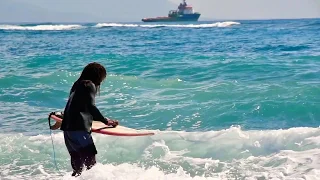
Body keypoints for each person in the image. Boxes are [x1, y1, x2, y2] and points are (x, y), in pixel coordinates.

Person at [60, 62, 118, 177]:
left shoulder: (77, 84)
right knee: (90, 163)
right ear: (97, 76)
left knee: (77, 165)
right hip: (79, 130)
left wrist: (61, 117)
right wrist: (106, 121)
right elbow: (91, 107)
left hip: (68, 130)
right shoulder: (89, 85)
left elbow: (72, 106)